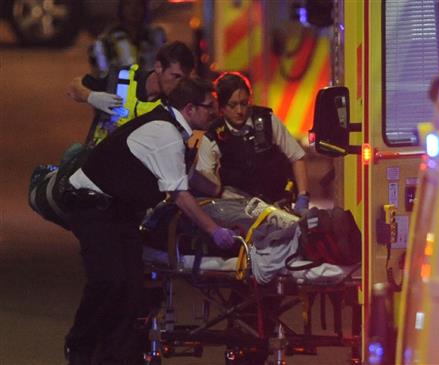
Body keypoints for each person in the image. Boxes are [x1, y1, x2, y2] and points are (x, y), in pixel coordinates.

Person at [63, 77, 237, 365]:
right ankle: (80, 346)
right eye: (210, 108)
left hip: (119, 211)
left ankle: (115, 357)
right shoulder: (165, 133)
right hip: (92, 206)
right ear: (190, 108)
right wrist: (214, 230)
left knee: (132, 286)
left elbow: (188, 177)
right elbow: (180, 194)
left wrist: (220, 191)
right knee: (109, 280)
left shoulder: (177, 132)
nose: (215, 113)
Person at [190, 72, 311, 214]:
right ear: (221, 107)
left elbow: (297, 157)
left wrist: (303, 197)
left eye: (244, 103)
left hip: (277, 205)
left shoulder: (266, 121)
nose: (240, 111)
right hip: (240, 211)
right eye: (233, 105)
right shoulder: (213, 135)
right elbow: (205, 179)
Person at [67, 40, 194, 146]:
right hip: (95, 161)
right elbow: (73, 87)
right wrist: (91, 97)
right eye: (175, 76)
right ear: (158, 67)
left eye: (184, 79)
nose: (179, 84)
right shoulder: (121, 79)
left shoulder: (176, 105)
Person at [88, 0, 166, 78]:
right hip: (118, 87)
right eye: (128, 4)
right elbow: (100, 73)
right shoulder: (107, 39)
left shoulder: (156, 36)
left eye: (138, 4)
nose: (134, 9)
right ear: (121, 8)